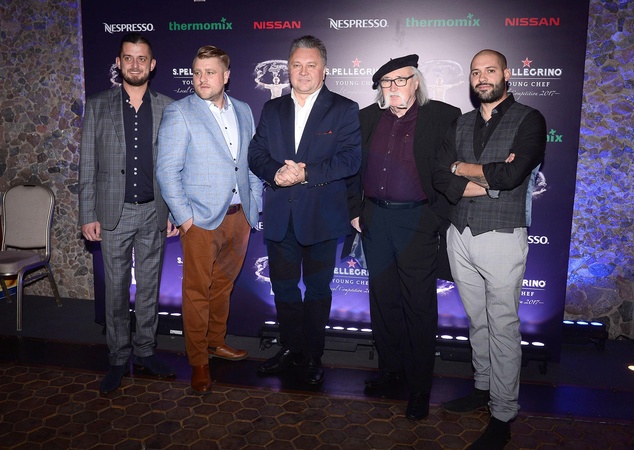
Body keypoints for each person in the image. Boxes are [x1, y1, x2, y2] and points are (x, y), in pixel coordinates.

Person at [433, 49, 546, 449]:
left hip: (501, 235)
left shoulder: (529, 119)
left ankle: (503, 411)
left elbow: (513, 174)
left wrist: (461, 168)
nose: (482, 78)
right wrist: (486, 178)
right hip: (459, 233)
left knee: (502, 325)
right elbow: (439, 173)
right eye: (476, 72)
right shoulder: (460, 122)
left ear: (506, 74)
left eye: (490, 70)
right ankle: (483, 388)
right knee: (477, 320)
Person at [346, 54, 461, 420]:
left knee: (419, 305)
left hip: (418, 221)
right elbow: (351, 169)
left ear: (416, 82)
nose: (393, 87)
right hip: (375, 219)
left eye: (401, 80)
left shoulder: (443, 116)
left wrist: (437, 218)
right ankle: (391, 371)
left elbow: (451, 170)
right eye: (386, 82)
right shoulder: (366, 118)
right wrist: (355, 210)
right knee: (383, 301)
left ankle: (420, 386)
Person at [248, 35, 362, 385]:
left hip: (322, 218)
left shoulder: (344, 108)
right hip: (280, 217)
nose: (303, 72)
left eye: (311, 65)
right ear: (288, 68)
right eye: (296, 65)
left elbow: (350, 160)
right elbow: (256, 153)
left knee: (317, 291)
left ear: (324, 70)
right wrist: (275, 172)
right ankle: (291, 348)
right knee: (283, 290)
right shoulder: (273, 109)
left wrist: (305, 173)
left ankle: (312, 354)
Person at [156, 45, 263, 395]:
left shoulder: (244, 109)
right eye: (197, 72)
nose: (202, 79)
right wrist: (185, 219)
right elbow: (167, 171)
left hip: (239, 217)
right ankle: (198, 359)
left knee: (223, 286)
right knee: (197, 292)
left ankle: (216, 341)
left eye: (210, 72)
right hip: (200, 221)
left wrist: (254, 207)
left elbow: (250, 163)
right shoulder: (179, 112)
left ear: (226, 76)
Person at [79, 32, 178, 394]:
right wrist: (87, 213)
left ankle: (146, 351)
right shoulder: (98, 105)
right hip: (112, 214)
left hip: (154, 212)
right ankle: (119, 358)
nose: (135, 65)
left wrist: (173, 210)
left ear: (152, 65)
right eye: (128, 58)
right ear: (118, 63)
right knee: (117, 290)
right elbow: (87, 164)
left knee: (150, 288)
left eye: (142, 59)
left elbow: (174, 165)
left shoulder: (169, 107)